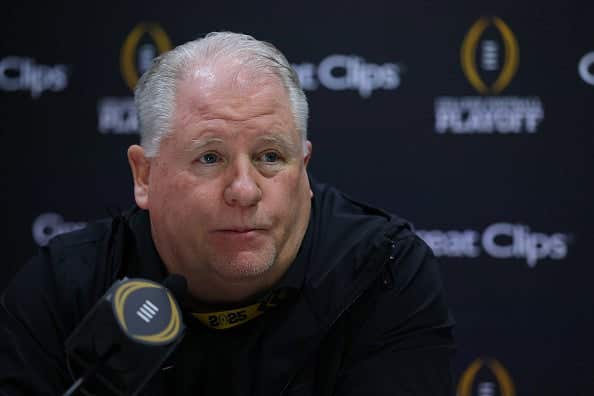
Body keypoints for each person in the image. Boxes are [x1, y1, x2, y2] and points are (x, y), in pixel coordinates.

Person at [0, 32, 455, 395]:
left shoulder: (383, 273)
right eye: (210, 158)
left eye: (271, 157)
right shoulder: (65, 288)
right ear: (144, 176)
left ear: (304, 170)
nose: (243, 190)